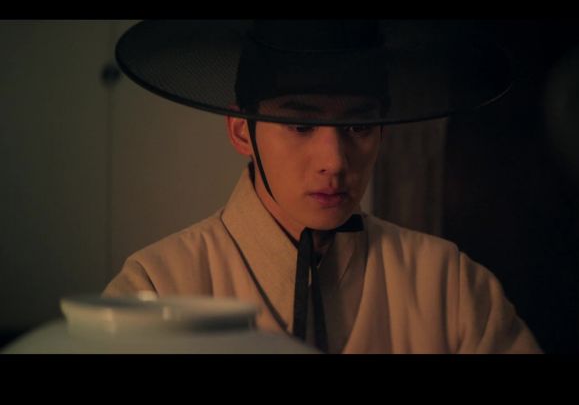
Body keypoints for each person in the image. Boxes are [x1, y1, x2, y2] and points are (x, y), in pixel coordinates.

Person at [104, 20, 541, 354]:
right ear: (241, 130)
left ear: (382, 130)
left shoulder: (448, 284)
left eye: (358, 126)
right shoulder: (157, 287)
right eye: (300, 125)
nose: (335, 161)